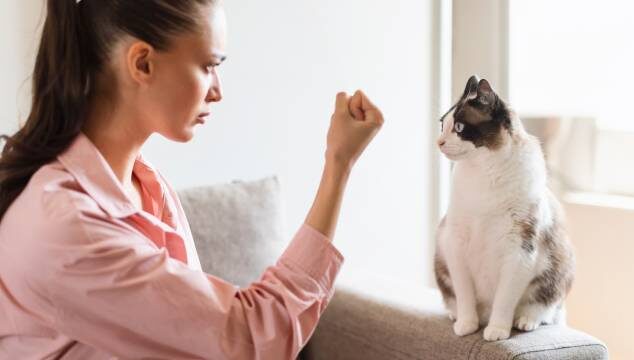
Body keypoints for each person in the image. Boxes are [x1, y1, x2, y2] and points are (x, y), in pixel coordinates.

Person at [0, 0, 383, 359]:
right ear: (143, 63)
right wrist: (338, 164)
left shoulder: (146, 186)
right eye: (208, 66)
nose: (217, 91)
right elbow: (252, 336)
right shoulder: (67, 226)